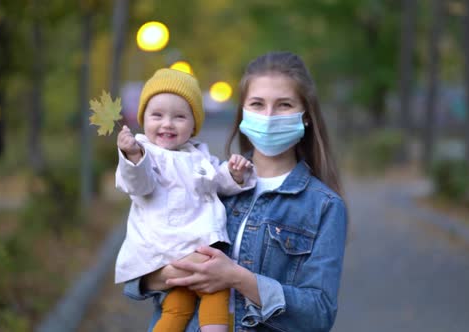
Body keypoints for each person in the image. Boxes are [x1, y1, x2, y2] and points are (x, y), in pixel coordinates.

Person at [124, 51, 349, 331]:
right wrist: (172, 273)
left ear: (305, 116)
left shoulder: (324, 206)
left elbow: (319, 314)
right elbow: (136, 277)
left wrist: (236, 277)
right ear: (242, 112)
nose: (268, 116)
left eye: (284, 105)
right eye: (257, 104)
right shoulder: (208, 181)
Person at [115, 68, 256, 332]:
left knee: (178, 305)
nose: (167, 123)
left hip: (195, 247)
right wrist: (133, 157)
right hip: (167, 248)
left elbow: (218, 183)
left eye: (179, 117)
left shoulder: (199, 156)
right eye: (157, 115)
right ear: (143, 119)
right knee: (216, 287)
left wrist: (235, 174)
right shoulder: (147, 154)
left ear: (193, 126)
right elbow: (138, 183)